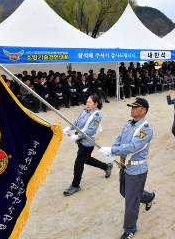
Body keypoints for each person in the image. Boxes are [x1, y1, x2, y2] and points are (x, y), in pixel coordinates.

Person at [98, 98, 155, 239]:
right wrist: (113, 151)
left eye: (135, 107)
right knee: (125, 192)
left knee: (131, 200)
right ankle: (148, 197)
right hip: (124, 166)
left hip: (137, 170)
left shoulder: (145, 129)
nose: (132, 109)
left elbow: (133, 147)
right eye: (131, 107)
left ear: (144, 110)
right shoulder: (129, 124)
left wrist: (112, 150)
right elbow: (119, 139)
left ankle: (130, 229)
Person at [62, 95, 113, 196]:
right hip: (80, 142)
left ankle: (75, 185)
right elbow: (76, 122)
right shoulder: (84, 111)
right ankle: (106, 167)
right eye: (87, 102)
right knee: (87, 159)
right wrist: (68, 128)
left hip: (87, 144)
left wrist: (77, 136)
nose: (87, 104)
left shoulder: (97, 116)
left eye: (90, 102)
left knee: (78, 163)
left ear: (95, 104)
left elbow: (91, 131)